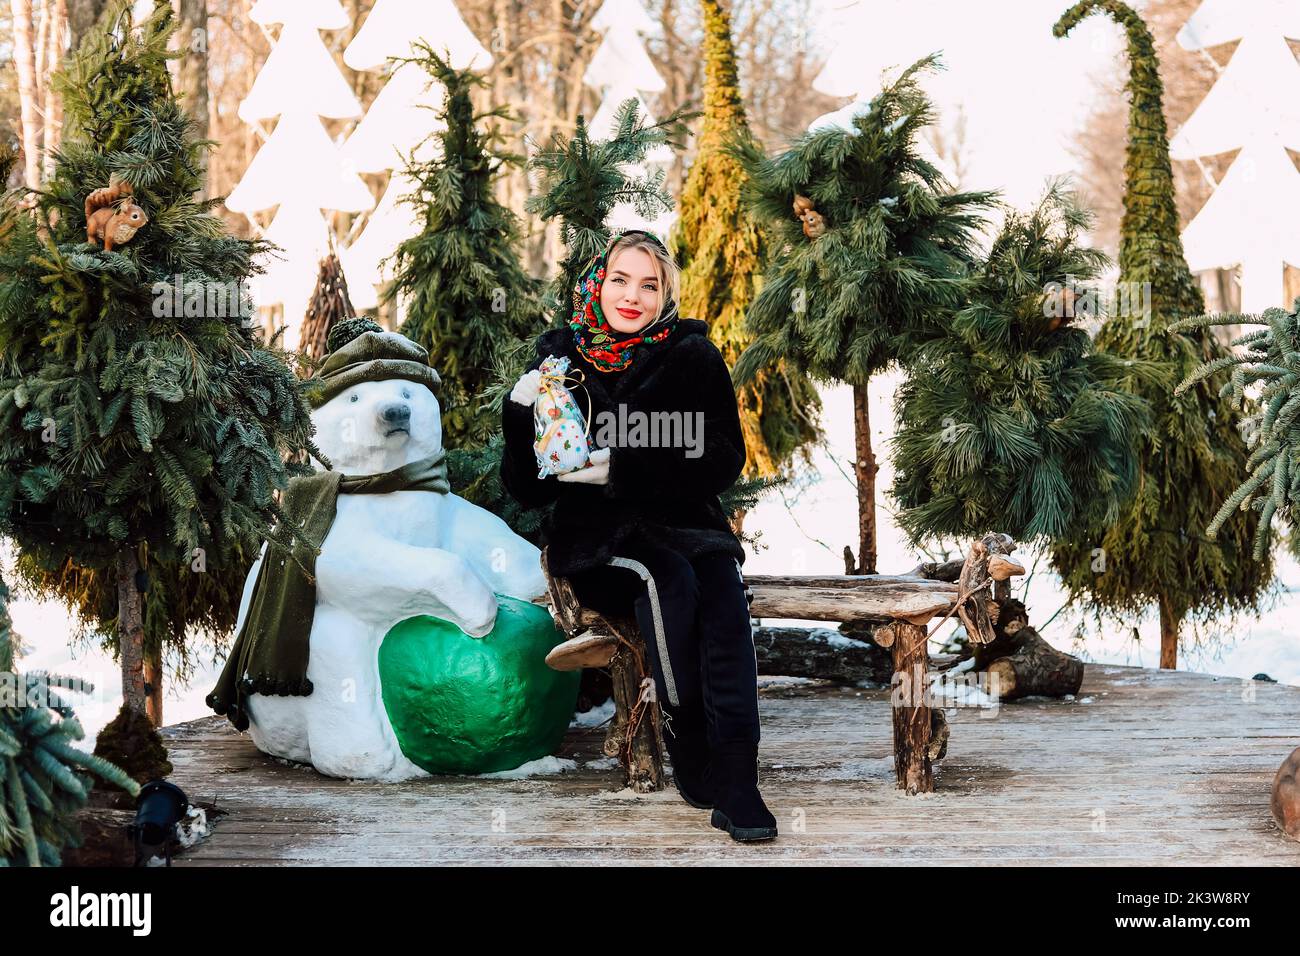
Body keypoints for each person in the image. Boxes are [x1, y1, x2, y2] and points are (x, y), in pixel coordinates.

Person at [499, 229, 778, 842]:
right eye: (620, 280)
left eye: (648, 285)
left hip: (689, 524)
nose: (632, 296)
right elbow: (531, 490)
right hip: (601, 539)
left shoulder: (691, 356)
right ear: (598, 284)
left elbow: (724, 456)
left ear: (665, 294)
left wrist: (624, 464)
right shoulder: (558, 361)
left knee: (724, 599)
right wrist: (518, 418)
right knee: (664, 578)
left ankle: (738, 777)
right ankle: (689, 741)